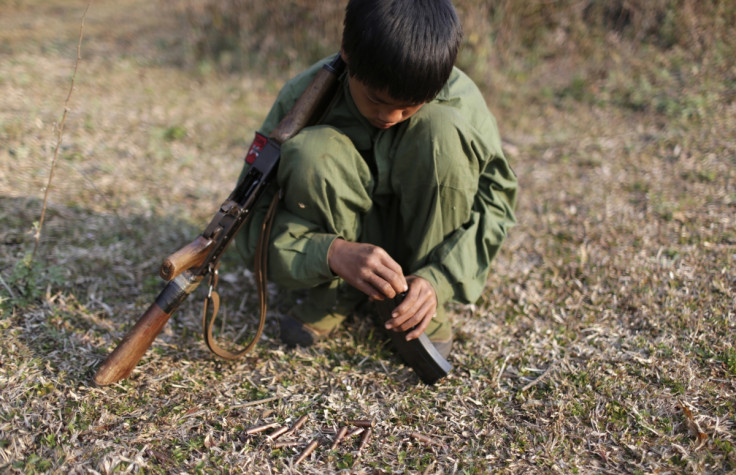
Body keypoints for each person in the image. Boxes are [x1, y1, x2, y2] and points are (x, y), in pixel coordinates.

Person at [235, 0, 517, 359]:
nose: (390, 116)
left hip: (425, 254)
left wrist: (440, 279)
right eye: (376, 99)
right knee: (312, 150)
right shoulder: (303, 97)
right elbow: (249, 216)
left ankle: (419, 299)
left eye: (410, 106)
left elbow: (497, 203)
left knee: (442, 132)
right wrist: (329, 253)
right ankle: (337, 293)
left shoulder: (459, 98)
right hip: (336, 260)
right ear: (347, 53)